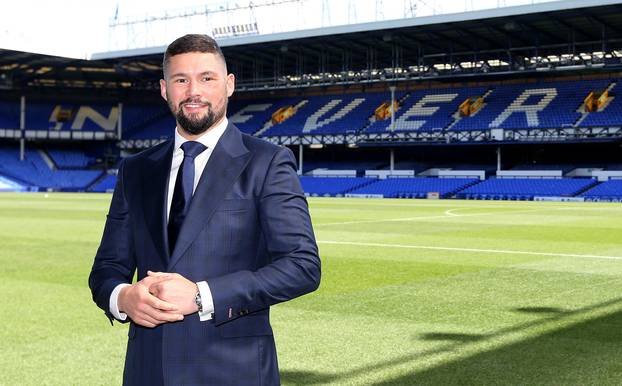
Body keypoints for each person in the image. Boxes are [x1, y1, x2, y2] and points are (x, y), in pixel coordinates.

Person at [89, 34, 321, 386]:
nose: (193, 91)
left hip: (233, 372)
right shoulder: (135, 170)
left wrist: (202, 296)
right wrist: (123, 297)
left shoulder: (267, 162)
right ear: (165, 89)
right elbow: (107, 267)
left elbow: (302, 266)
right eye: (181, 80)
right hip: (148, 372)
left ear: (228, 85)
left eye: (207, 78)